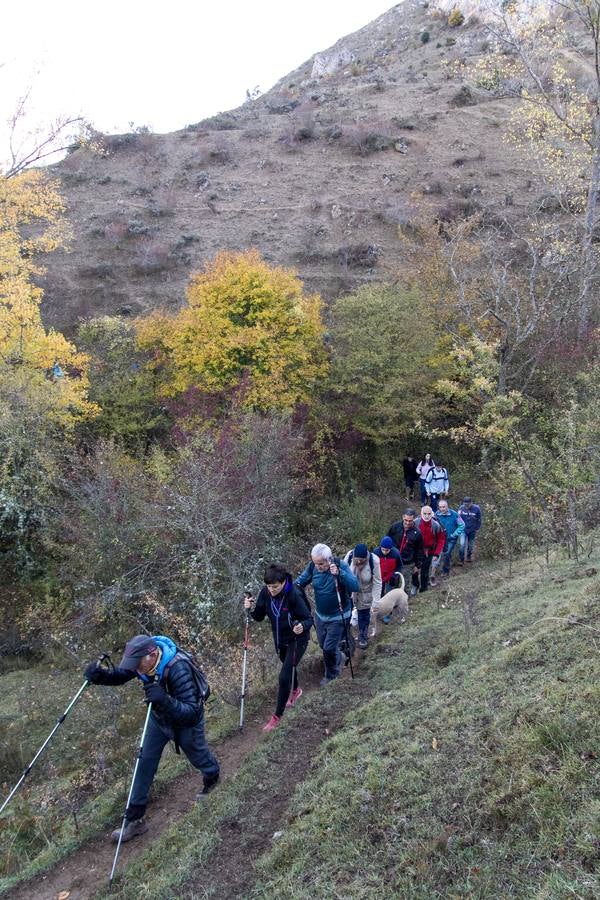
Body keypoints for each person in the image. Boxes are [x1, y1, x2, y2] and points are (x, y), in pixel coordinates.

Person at [84, 634, 220, 843]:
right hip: (159, 720)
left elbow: (192, 711)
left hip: (187, 723)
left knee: (198, 755)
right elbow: (123, 674)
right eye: (134, 665)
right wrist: (102, 677)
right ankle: (134, 821)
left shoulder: (178, 668)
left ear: (153, 654)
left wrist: (164, 699)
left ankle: (212, 778)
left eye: (138, 664)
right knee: (144, 762)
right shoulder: (144, 663)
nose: (136, 669)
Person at [244, 564, 313, 732]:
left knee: (283, 677)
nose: (271, 590)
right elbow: (259, 617)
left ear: (283, 583)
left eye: (274, 586)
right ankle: (296, 690)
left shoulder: (294, 594)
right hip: (280, 640)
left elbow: (308, 619)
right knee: (289, 668)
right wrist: (249, 608)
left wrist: (302, 626)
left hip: (298, 639)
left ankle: (277, 717)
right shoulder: (265, 593)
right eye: (268, 586)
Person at [296, 543, 359, 685]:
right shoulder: (313, 567)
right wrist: (287, 589)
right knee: (323, 645)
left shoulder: (340, 565)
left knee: (329, 647)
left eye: (321, 563)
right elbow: (300, 582)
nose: (318, 566)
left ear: (329, 559)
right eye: (315, 563)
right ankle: (341, 656)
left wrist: (339, 574)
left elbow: (355, 586)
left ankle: (331, 675)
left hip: (339, 615)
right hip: (320, 615)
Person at [344, 543, 382, 649]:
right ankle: (346, 637)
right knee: (346, 616)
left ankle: (363, 636)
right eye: (357, 559)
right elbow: (343, 573)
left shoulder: (374, 560)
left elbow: (378, 582)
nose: (359, 562)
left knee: (364, 615)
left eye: (362, 559)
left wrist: (376, 601)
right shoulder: (350, 556)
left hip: (365, 591)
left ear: (366, 557)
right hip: (349, 592)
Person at [388, 508, 424, 598]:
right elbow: (387, 540)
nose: (408, 523)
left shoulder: (417, 533)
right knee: (392, 583)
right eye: (406, 520)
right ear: (403, 517)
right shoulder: (395, 527)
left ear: (414, 519)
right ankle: (391, 604)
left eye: (410, 521)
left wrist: (417, 565)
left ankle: (404, 605)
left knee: (405, 585)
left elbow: (419, 550)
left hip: (407, 562)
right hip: (393, 560)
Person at [415, 505, 445, 590]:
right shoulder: (415, 523)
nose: (427, 516)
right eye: (425, 514)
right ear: (421, 514)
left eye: (429, 514)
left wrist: (436, 554)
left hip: (429, 552)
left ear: (432, 514)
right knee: (414, 571)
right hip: (416, 551)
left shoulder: (436, 525)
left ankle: (424, 590)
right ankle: (415, 587)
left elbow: (441, 539)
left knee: (425, 571)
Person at [435, 500, 465, 577]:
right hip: (440, 539)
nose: (442, 509)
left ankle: (445, 570)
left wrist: (454, 534)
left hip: (451, 539)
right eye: (440, 507)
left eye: (444, 507)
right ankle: (436, 570)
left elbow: (462, 525)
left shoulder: (454, 514)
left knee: (447, 553)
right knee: (438, 554)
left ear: (447, 506)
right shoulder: (436, 514)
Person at [458, 496, 482, 563]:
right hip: (463, 530)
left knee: (470, 545)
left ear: (471, 503)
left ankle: (468, 556)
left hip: (472, 530)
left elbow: (479, 519)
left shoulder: (477, 509)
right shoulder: (461, 508)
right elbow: (458, 518)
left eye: (468, 504)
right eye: (465, 504)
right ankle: (461, 559)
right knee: (462, 544)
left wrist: (477, 528)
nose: (466, 506)